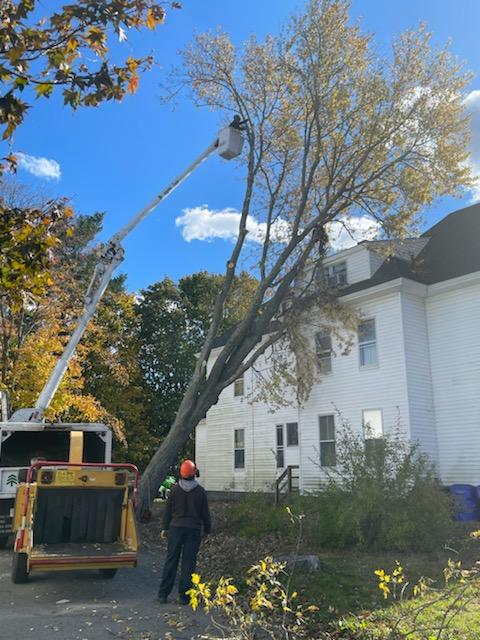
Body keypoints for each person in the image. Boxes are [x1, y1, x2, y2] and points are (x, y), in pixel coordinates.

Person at [157, 460, 211, 604]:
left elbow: (168, 511)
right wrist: (207, 530)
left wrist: (164, 527)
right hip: (193, 530)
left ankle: (163, 594)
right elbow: (205, 513)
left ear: (181, 473)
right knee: (188, 563)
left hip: (175, 529)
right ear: (195, 473)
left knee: (171, 561)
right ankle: (184, 597)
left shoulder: (174, 490)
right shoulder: (200, 492)